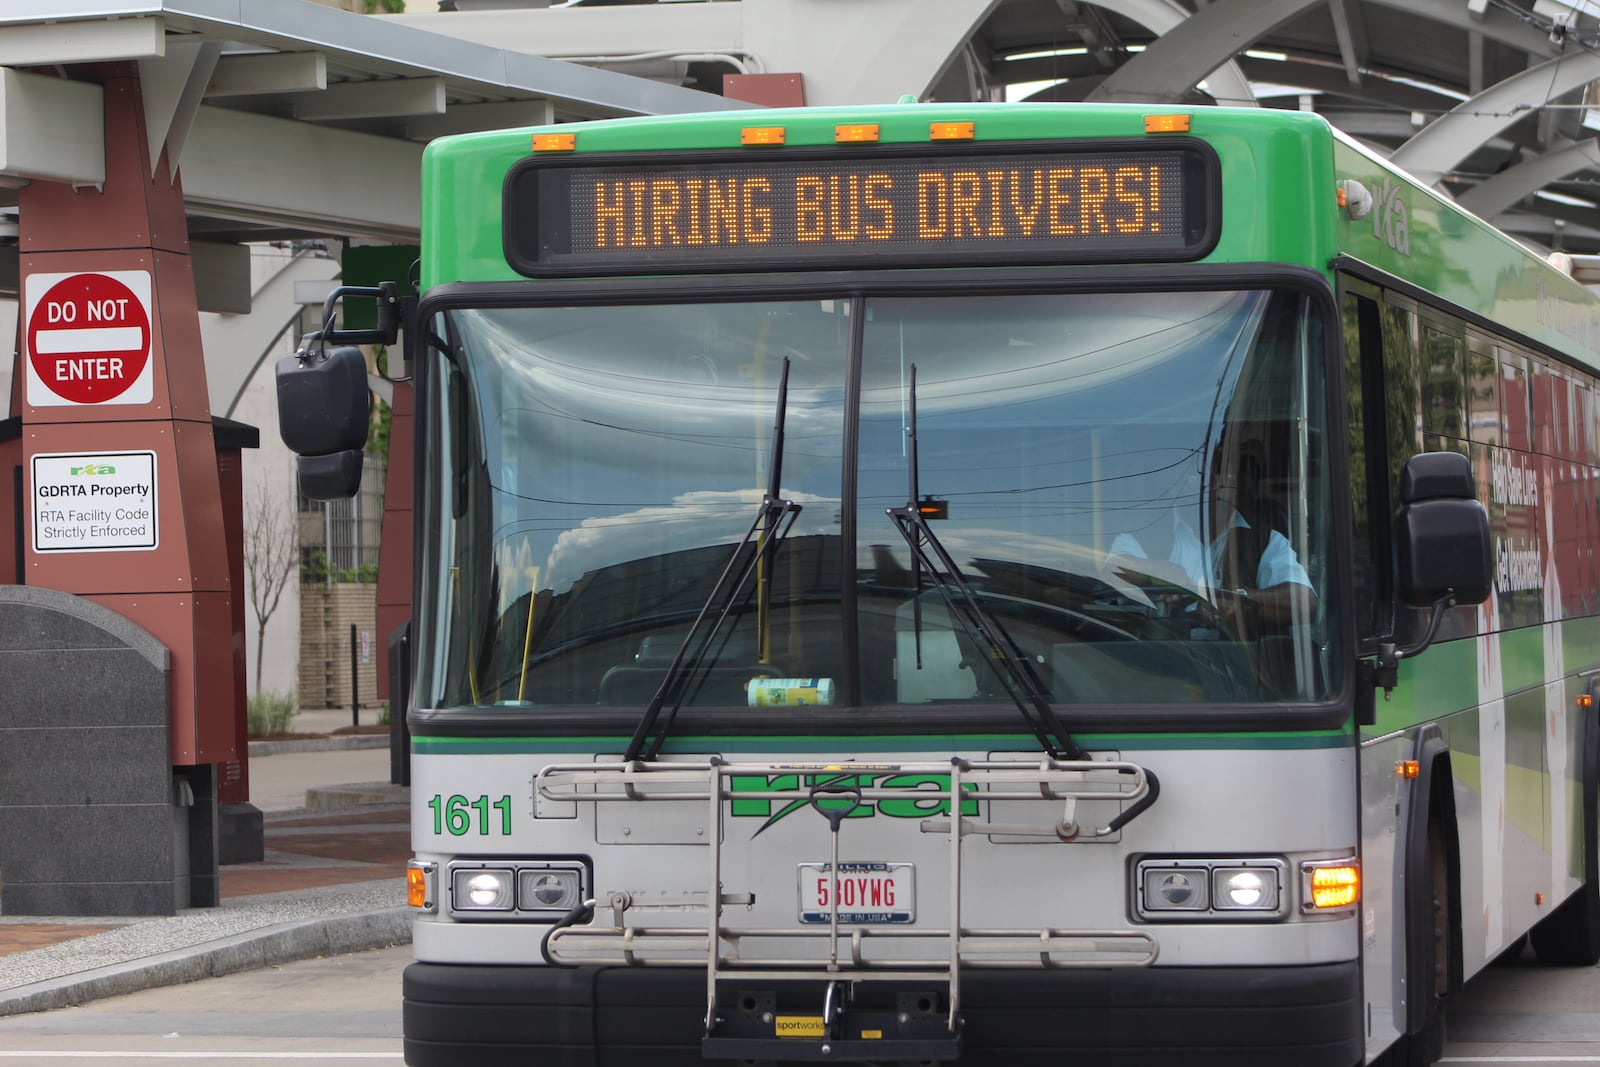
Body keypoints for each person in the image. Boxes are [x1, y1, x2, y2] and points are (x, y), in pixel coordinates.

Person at [1107, 444, 1315, 636]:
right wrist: (1157, 572)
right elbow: (1112, 569)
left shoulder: (1263, 540)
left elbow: (1306, 603)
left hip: (1239, 668)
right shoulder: (1149, 527)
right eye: (1194, 475)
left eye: (1213, 474)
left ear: (1232, 480)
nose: (1203, 483)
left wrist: (1241, 600)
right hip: (1161, 661)